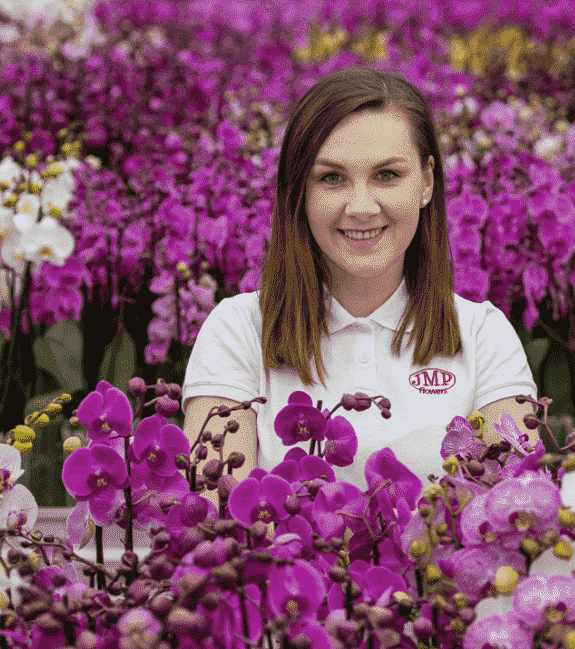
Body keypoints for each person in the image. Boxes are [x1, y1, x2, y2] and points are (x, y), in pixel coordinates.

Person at [180, 66, 537, 488]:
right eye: (332, 178)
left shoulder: (483, 336)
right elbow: (216, 514)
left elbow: (517, 508)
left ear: (426, 181)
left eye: (387, 175)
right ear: (299, 191)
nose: (362, 206)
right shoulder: (238, 330)